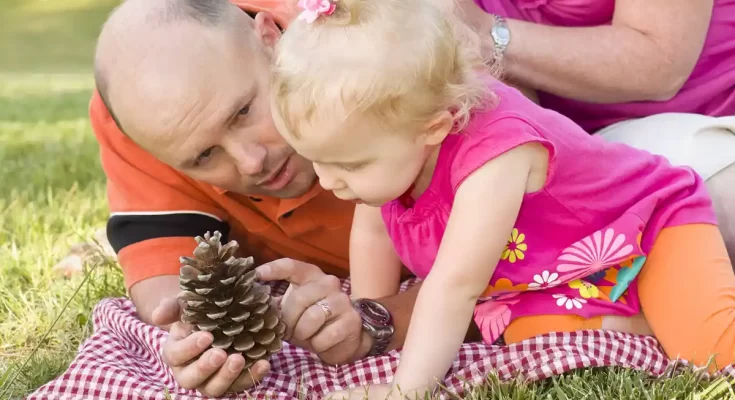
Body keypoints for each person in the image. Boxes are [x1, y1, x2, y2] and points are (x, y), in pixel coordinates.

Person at [267, 0, 735, 398]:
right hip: (546, 278)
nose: (329, 183)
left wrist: (405, 391)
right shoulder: (394, 137)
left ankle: (672, 305)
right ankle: (641, 316)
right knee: (545, 351)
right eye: (317, 161)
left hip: (645, 230)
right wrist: (365, 323)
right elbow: (373, 231)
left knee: (713, 354)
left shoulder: (497, 153)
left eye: (349, 166)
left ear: (434, 127)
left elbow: (455, 285)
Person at [91, 0, 442, 396]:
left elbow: (516, 269)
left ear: (272, 38)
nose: (252, 161)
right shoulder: (144, 114)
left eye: (242, 112)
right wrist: (201, 343)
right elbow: (166, 288)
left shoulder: (387, 53)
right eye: (205, 156)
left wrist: (376, 322)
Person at [446, 0, 735, 261]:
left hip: (687, 117)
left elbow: (659, 61)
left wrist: (487, 36)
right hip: (553, 134)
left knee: (715, 197)